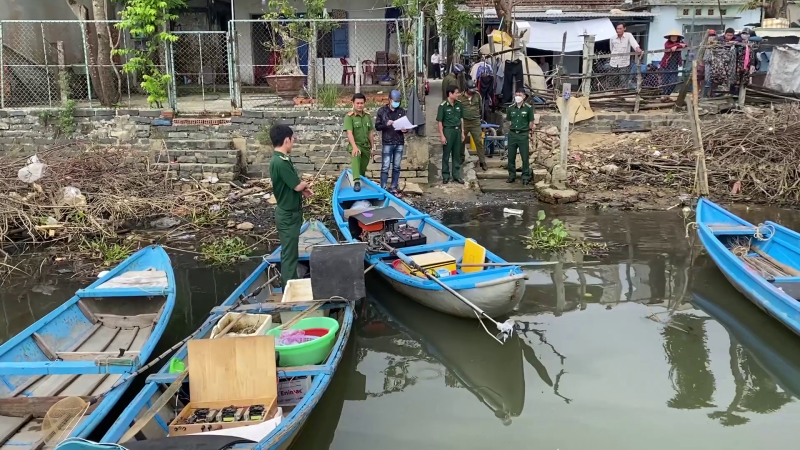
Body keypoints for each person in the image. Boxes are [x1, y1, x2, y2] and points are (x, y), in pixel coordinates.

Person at [268, 125, 312, 287]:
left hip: (290, 214)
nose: (293, 142)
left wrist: (302, 190)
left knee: (290, 253)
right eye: (292, 139)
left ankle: (291, 284)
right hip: (288, 216)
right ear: (286, 140)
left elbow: (291, 185)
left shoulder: (281, 159)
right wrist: (304, 185)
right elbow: (297, 186)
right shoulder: (280, 162)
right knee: (289, 256)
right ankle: (289, 289)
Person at [374, 90, 409, 195]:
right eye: (395, 101)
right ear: (389, 100)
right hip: (387, 142)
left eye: (398, 101)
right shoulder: (382, 111)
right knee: (385, 166)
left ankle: (394, 187)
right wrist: (386, 124)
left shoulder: (402, 111)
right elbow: (377, 126)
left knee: (397, 167)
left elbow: (406, 126)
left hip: (399, 142)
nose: (396, 103)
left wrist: (405, 130)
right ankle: (383, 187)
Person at [344, 93, 374, 193]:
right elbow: (349, 133)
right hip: (355, 144)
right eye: (357, 103)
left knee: (363, 166)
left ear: (364, 103)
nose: (359, 105)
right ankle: (356, 181)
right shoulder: (349, 117)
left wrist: (372, 147)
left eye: (361, 103)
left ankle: (361, 178)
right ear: (352, 103)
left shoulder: (367, 116)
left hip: (366, 146)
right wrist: (354, 147)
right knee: (356, 155)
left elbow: (370, 132)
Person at [436, 85, 465, 184]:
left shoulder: (459, 104)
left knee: (457, 154)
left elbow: (461, 119)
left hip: (457, 131)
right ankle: (445, 175)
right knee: (446, 154)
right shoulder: (443, 106)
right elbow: (440, 122)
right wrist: (442, 135)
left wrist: (462, 132)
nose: (458, 94)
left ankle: (456, 175)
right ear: (450, 94)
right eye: (456, 93)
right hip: (448, 131)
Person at [505, 87, 534, 185]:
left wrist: (527, 131)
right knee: (511, 156)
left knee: (524, 157)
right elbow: (509, 121)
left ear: (524, 96)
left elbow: (531, 122)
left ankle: (525, 176)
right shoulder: (510, 108)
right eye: (516, 95)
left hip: (523, 135)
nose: (517, 97)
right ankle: (511, 176)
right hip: (512, 134)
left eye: (520, 95)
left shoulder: (528, 108)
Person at [459, 80, 486, 171]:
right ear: (466, 89)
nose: (473, 91)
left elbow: (480, 107)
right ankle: (461, 157)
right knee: (461, 140)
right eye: (471, 90)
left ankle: (482, 161)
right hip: (464, 122)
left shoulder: (477, 96)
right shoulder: (460, 97)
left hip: (475, 122)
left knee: (479, 141)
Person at [609, 24, 642, 89]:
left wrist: (637, 48)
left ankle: (623, 93)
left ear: (624, 28)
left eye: (620, 29)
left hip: (624, 63)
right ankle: (613, 92)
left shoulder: (628, 35)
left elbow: (634, 43)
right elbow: (611, 49)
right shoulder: (612, 38)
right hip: (614, 62)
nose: (618, 30)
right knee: (613, 80)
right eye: (617, 29)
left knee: (623, 80)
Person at [659, 30, 687, 101]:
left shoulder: (680, 42)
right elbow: (667, 47)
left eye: (675, 36)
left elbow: (685, 45)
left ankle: (667, 95)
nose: (674, 38)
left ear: (677, 37)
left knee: (674, 81)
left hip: (674, 65)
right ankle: (664, 95)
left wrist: (677, 46)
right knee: (665, 81)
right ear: (670, 37)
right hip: (666, 65)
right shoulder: (667, 43)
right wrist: (678, 45)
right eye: (672, 36)